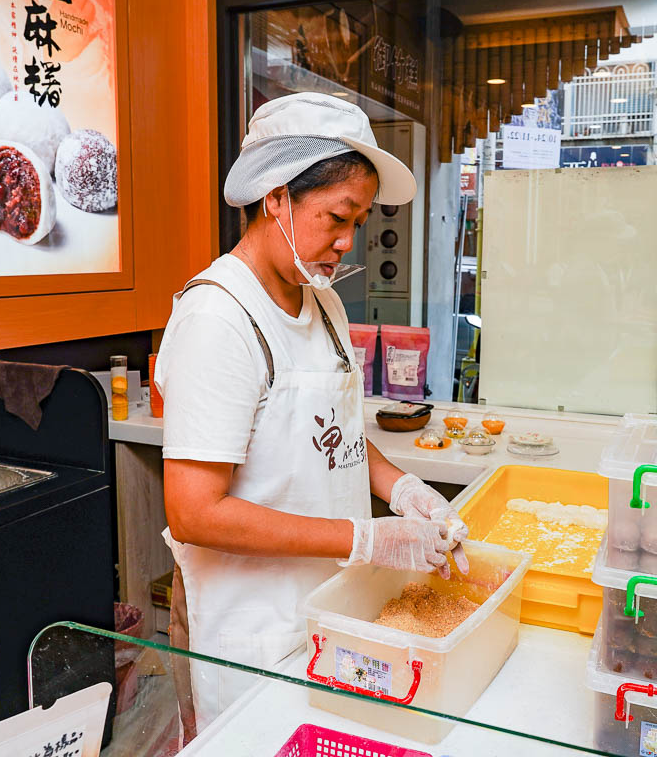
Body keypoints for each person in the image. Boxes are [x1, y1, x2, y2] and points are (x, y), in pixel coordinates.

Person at [155, 92, 470, 734]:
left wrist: (404, 490)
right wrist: (365, 538)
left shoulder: (321, 300)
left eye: (358, 220)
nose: (348, 241)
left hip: (333, 616)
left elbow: (338, 431)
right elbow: (193, 510)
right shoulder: (219, 318)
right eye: (337, 217)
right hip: (256, 635)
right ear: (275, 197)